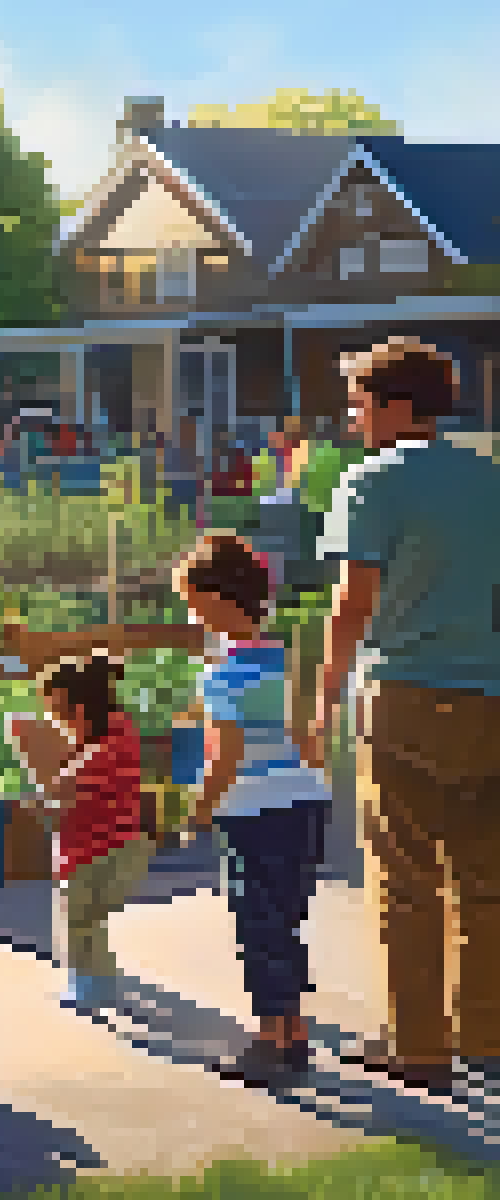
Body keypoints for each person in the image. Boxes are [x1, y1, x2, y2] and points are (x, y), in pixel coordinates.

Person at [303, 336, 500, 1095]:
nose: (353, 422)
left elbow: (353, 602)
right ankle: (485, 1032)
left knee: (405, 876)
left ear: (395, 406)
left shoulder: (372, 482)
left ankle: (418, 1046)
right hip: (491, 694)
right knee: (486, 876)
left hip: (406, 694)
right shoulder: (489, 481)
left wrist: (324, 693)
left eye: (358, 406)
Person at [156, 533, 331, 1086]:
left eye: (195, 603)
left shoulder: (226, 670)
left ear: (221, 600)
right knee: (286, 919)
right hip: (303, 801)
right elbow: (310, 737)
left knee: (257, 922)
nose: (193, 615)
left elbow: (226, 754)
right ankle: (293, 1030)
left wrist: (197, 813)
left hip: (254, 809)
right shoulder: (286, 658)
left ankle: (270, 1039)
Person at [8, 654, 153, 1014]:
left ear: (83, 710)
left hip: (89, 853)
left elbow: (63, 792)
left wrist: (40, 798)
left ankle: (85, 988)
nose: (56, 721)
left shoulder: (98, 755)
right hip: (118, 848)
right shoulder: (120, 732)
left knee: (76, 926)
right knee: (91, 924)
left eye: (60, 712)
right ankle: (103, 981)